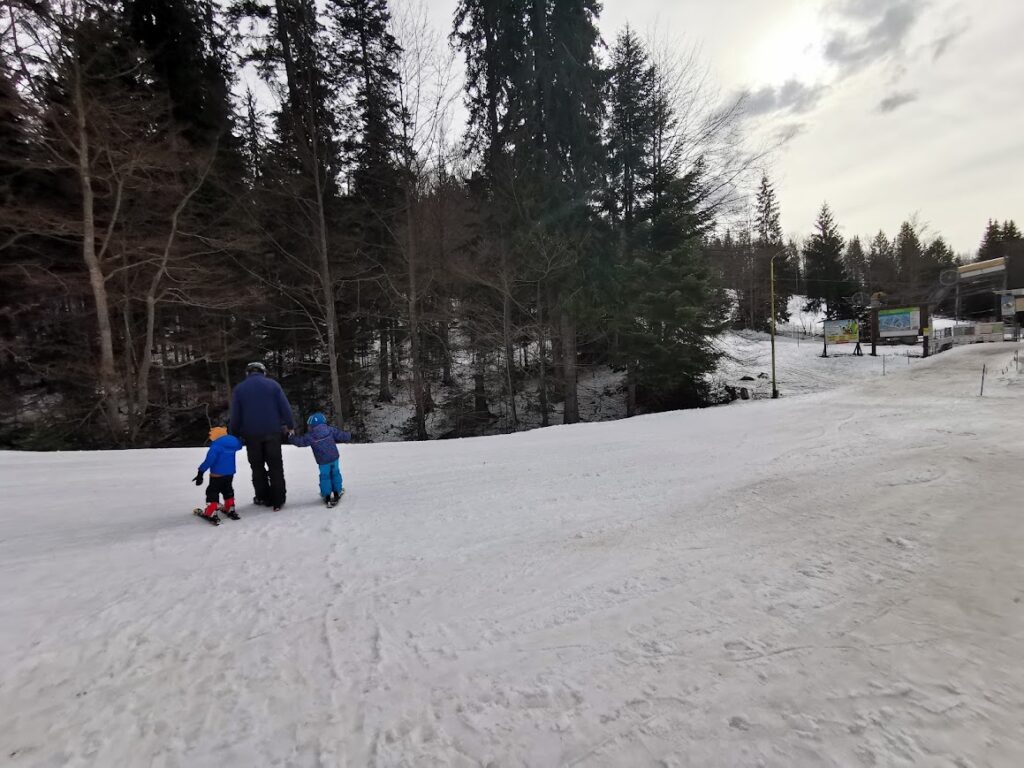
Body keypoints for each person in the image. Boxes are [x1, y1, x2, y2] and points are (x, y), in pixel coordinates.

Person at [228, 361, 295, 511]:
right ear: (263, 372)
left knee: (257, 466)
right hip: (273, 432)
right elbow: (285, 407)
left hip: (251, 434)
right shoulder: (273, 385)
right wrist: (290, 425)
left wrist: (234, 433)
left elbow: (235, 415)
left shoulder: (240, 389)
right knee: (275, 466)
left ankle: (263, 497)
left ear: (248, 373)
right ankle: (278, 499)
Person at [288, 412, 352, 506]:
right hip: (334, 458)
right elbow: (340, 435)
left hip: (323, 461)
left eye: (309, 426)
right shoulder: (329, 429)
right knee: (335, 473)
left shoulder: (310, 435)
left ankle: (326, 495)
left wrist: (291, 438)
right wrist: (348, 435)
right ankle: (337, 491)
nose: (309, 427)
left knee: (325, 476)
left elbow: (301, 442)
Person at [193, 426, 243, 521]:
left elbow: (209, 461)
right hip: (230, 473)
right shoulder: (233, 444)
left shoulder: (216, 446)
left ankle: (211, 511)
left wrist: (200, 472)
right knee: (227, 489)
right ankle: (230, 508)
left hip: (217, 474)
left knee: (212, 491)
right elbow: (239, 444)